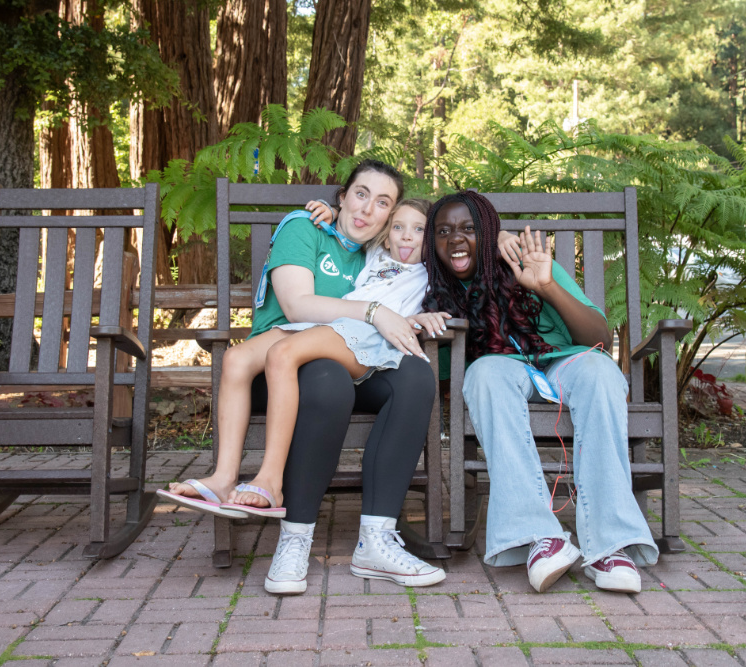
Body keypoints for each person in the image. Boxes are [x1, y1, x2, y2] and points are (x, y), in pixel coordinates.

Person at [159, 160, 446, 594]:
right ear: (342, 196)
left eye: (382, 202)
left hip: (351, 358)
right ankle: (291, 535)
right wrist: (374, 311)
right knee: (320, 377)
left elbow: (439, 252)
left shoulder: (376, 251)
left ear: (389, 217)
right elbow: (296, 308)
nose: (367, 208)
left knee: (416, 376)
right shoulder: (306, 227)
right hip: (288, 363)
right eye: (360, 194)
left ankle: (378, 539)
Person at [419, 190, 657, 595]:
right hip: (505, 372)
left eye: (468, 229)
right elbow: (445, 374)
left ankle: (610, 546)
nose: (455, 239)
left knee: (601, 372)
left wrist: (546, 287)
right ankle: (541, 538)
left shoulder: (527, 261)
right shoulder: (439, 290)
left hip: (563, 362)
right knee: (483, 373)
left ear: (489, 232)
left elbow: (598, 338)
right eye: (443, 231)